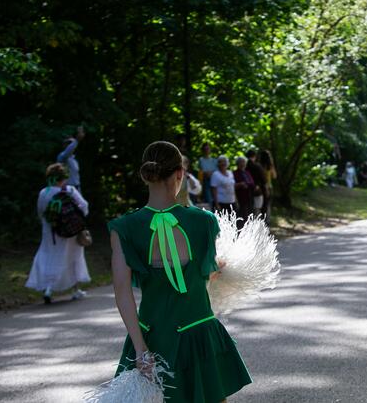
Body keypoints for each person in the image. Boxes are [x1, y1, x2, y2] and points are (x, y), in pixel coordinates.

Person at [107, 141, 251, 401]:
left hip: (153, 336)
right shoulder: (204, 221)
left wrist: (140, 350)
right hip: (200, 333)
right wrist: (221, 268)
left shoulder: (124, 227)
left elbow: (122, 293)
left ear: (145, 175)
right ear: (180, 174)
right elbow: (205, 276)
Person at [26, 163, 91, 303]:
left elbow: (41, 212)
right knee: (73, 258)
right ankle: (75, 290)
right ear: (64, 177)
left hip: (51, 233)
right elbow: (84, 207)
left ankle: (48, 289)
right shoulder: (70, 190)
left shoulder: (44, 192)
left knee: (48, 257)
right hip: (71, 233)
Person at [57, 126, 85, 192]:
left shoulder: (74, 159)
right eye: (69, 143)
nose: (71, 145)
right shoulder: (62, 156)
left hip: (76, 188)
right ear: (64, 145)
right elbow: (67, 152)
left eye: (71, 143)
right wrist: (77, 140)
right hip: (66, 188)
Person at [233, 156, 256, 228]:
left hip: (249, 196)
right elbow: (233, 184)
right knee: (242, 214)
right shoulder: (235, 173)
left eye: (244, 162)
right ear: (238, 163)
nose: (243, 164)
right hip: (240, 197)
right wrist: (241, 184)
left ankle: (248, 229)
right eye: (241, 162)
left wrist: (246, 184)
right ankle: (241, 230)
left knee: (249, 213)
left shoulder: (247, 172)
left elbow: (252, 183)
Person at [246, 149, 269, 217]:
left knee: (251, 209)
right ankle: (258, 224)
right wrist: (266, 190)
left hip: (247, 191)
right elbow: (264, 180)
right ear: (254, 156)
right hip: (258, 190)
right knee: (258, 209)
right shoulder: (257, 166)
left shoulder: (245, 166)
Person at [258, 150, 276, 221]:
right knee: (267, 206)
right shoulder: (270, 166)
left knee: (261, 206)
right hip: (268, 187)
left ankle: (261, 221)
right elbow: (274, 176)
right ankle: (266, 222)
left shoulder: (258, 165)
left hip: (260, 188)